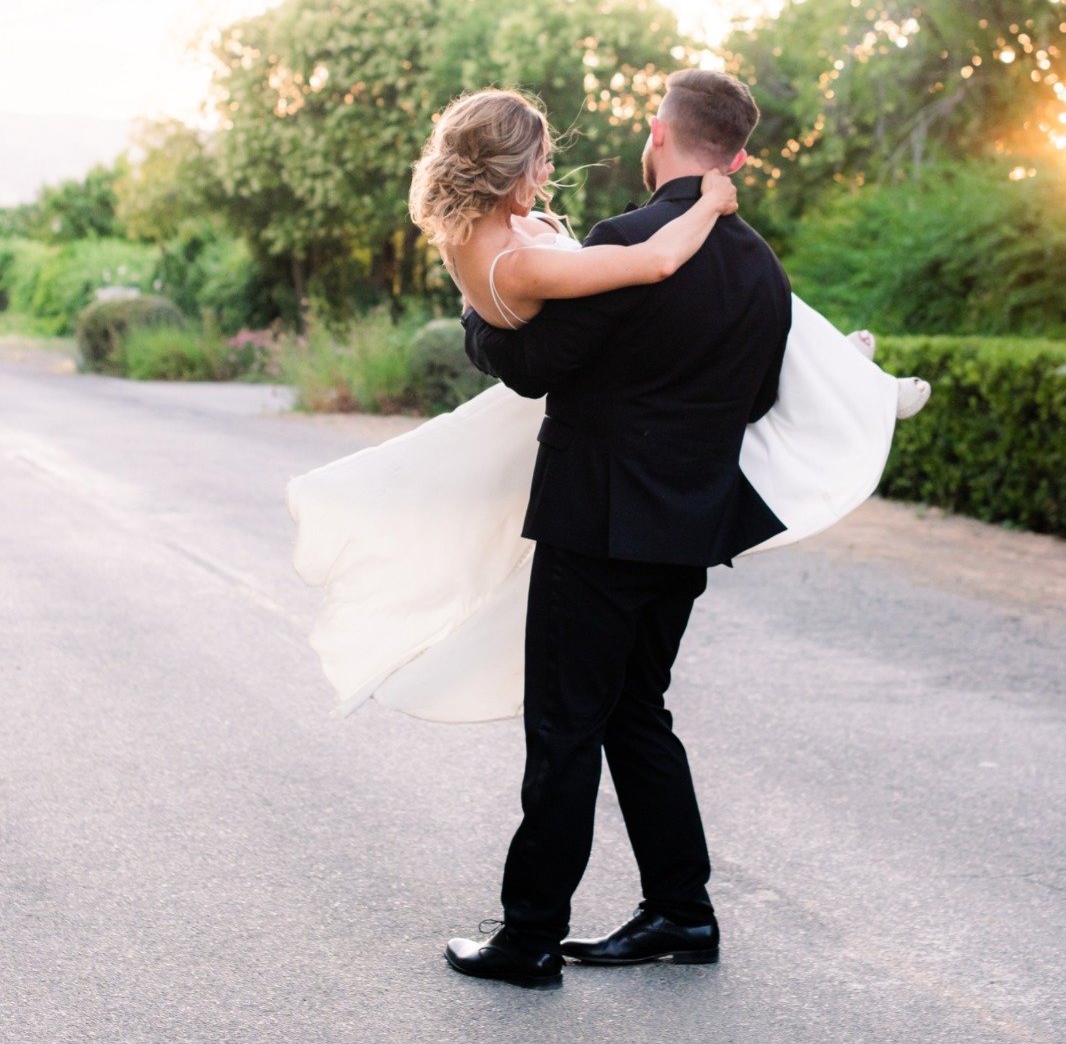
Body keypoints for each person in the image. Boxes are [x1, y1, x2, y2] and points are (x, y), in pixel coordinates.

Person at [285, 74, 930, 991]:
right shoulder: (760, 269)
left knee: (564, 728)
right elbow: (757, 401)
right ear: (736, 156)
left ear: (659, 136)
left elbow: (535, 366)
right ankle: (682, 911)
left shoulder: (624, 243)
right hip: (690, 530)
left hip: (596, 526)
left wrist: (479, 314)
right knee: (636, 715)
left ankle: (529, 938)